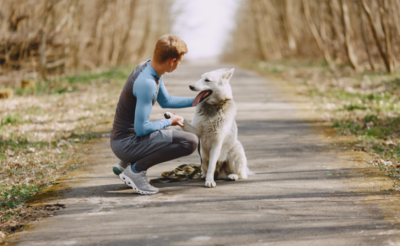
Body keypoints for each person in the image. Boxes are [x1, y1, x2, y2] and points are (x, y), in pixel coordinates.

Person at [110, 34, 198, 195]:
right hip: (126, 143)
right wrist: (169, 121)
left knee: (173, 135)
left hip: (121, 139)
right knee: (189, 141)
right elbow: (141, 129)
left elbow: (167, 101)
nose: (179, 64)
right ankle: (136, 170)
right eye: (179, 61)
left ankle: (125, 164)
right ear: (172, 61)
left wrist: (197, 100)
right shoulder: (147, 84)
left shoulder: (149, 67)